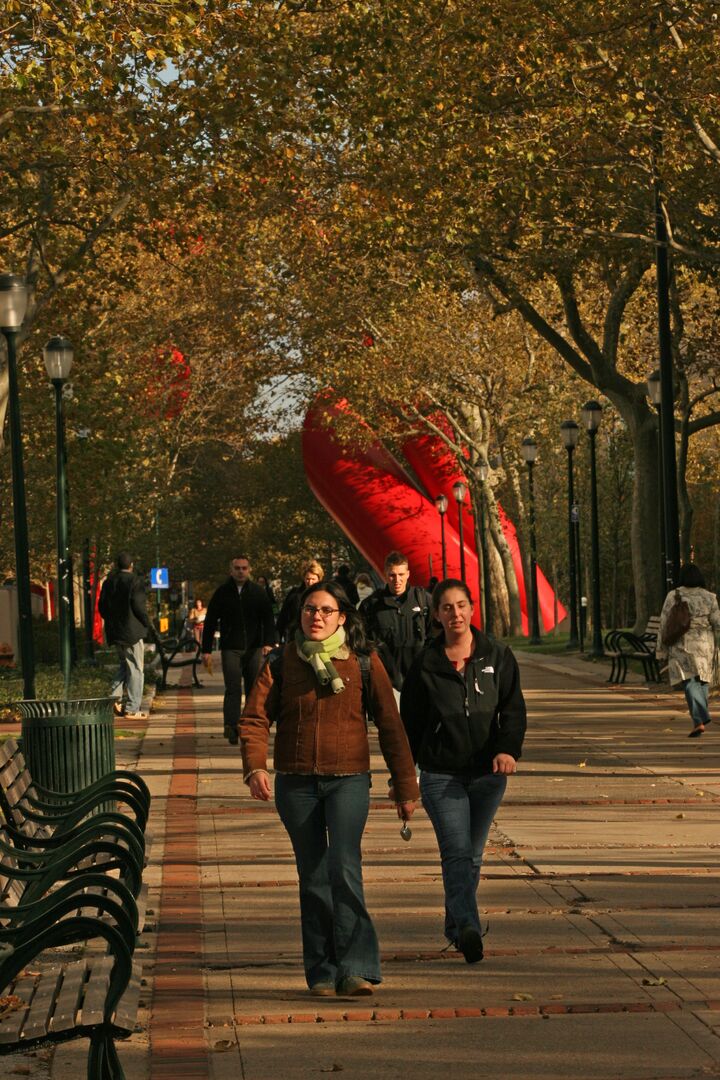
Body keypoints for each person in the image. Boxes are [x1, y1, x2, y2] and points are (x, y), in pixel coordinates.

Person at [240, 580, 418, 997]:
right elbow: (254, 719)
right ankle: (321, 970)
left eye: (324, 610)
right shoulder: (281, 663)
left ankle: (356, 968)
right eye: (308, 610)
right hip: (296, 783)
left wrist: (406, 787)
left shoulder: (364, 662)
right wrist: (255, 768)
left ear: (342, 616)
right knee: (313, 876)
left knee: (344, 868)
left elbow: (391, 727)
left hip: (348, 782)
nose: (315, 617)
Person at [400, 578, 527, 963]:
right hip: (442, 774)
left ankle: (456, 927)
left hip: (488, 775)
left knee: (471, 855)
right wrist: (405, 778)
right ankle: (469, 927)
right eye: (447, 608)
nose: (455, 613)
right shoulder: (426, 663)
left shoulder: (498, 655)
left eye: (461, 605)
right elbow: (409, 725)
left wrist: (507, 750)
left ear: (472, 609)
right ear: (436, 615)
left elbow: (514, 710)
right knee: (456, 852)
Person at [201, 555, 277, 744]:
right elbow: (210, 622)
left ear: (249, 570)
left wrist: (269, 642)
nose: (241, 571)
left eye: (244, 568)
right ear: (231, 571)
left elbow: (268, 618)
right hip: (230, 647)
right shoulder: (222, 592)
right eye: (237, 568)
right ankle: (232, 726)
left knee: (253, 688)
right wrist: (206, 650)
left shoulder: (258, 592)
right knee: (233, 688)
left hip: (254, 647)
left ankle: (250, 725)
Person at [656, 563, 720, 737]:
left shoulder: (673, 595)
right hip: (705, 643)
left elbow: (664, 623)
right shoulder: (710, 597)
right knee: (703, 681)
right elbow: (717, 623)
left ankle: (701, 718)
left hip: (682, 643)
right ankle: (698, 722)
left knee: (689, 680)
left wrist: (660, 649)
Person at [359, 551, 433, 691]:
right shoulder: (371, 605)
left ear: (408, 574)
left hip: (421, 681)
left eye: (401, 575)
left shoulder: (424, 601)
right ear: (385, 574)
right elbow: (362, 642)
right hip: (386, 683)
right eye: (392, 575)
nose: (397, 580)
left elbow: (435, 636)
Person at [99, 552, 154, 720]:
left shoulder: (109, 582)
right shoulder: (135, 581)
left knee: (125, 664)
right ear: (132, 565)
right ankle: (132, 708)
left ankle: (113, 698)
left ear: (117, 565)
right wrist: (146, 622)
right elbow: (138, 606)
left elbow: (102, 606)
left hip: (116, 631)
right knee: (137, 669)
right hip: (132, 632)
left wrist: (112, 621)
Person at [276, 559, 324, 642]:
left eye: (313, 579)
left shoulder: (324, 596)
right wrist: (276, 639)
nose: (310, 582)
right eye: (307, 579)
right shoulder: (295, 594)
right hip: (294, 637)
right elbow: (283, 616)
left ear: (319, 579)